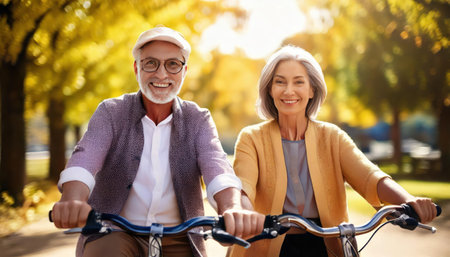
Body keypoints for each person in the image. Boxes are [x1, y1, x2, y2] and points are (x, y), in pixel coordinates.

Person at [51, 26, 264, 257]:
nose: (161, 74)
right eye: (150, 63)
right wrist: (72, 200)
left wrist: (231, 207)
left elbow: (217, 166)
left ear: (184, 71)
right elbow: (85, 157)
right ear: (136, 68)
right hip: (113, 231)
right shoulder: (111, 112)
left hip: (179, 235)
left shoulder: (197, 119)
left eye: (172, 64)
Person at [227, 45, 438, 257]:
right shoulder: (251, 138)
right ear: (270, 90)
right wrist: (244, 213)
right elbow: (243, 188)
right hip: (266, 244)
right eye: (279, 82)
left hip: (328, 244)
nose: (288, 90)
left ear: (312, 90)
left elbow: (370, 177)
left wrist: (408, 199)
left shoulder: (332, 137)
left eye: (298, 82)